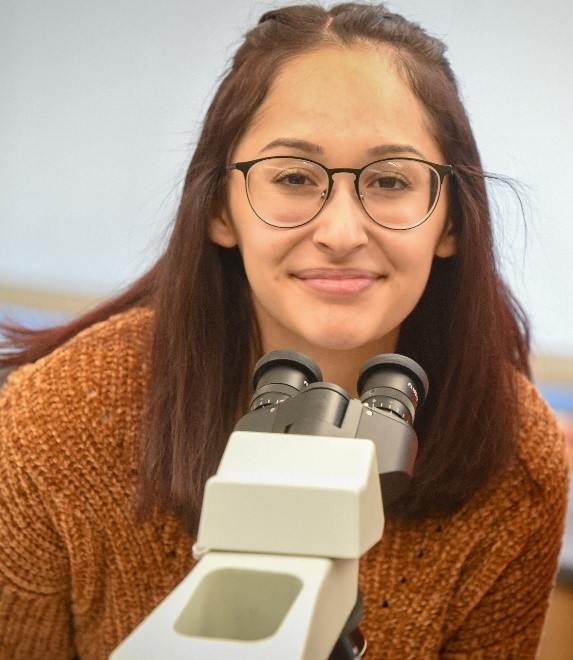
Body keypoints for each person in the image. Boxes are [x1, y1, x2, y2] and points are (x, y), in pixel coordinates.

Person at [0, 3, 568, 658]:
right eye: (294, 178)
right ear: (219, 207)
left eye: (389, 181)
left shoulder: (512, 458)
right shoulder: (55, 421)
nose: (340, 232)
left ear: (448, 222)